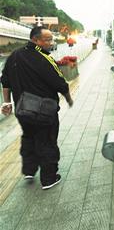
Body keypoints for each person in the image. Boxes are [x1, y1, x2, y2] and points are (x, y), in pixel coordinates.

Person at [1, 26, 74, 189]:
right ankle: (49, 178)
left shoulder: (14, 56)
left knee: (29, 137)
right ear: (35, 40)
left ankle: (29, 170)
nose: (51, 42)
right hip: (44, 110)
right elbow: (60, 82)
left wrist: (7, 102)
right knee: (47, 140)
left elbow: (5, 81)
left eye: (51, 39)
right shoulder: (44, 58)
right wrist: (69, 99)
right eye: (47, 40)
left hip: (22, 109)